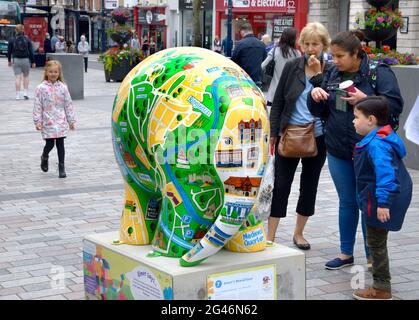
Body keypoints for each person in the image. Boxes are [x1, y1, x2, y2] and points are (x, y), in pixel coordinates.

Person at [308, 30, 403, 270]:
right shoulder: (331, 72)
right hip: (338, 148)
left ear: (356, 54)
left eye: (340, 56)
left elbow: (394, 105)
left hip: (370, 151)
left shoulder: (378, 72)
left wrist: (366, 97)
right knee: (347, 202)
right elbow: (321, 111)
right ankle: (345, 253)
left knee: (369, 203)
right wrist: (315, 95)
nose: (335, 61)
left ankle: (373, 257)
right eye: (333, 56)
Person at [268, 22, 331, 250]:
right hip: (291, 133)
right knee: (281, 184)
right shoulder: (293, 65)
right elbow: (278, 102)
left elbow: (329, 103)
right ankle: (270, 236)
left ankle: (299, 233)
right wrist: (273, 132)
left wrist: (318, 75)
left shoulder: (330, 69)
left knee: (310, 185)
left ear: (325, 45)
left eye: (315, 44)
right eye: (306, 43)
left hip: (318, 135)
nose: (310, 48)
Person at [352, 96, 412, 300]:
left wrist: (383, 204)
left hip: (379, 199)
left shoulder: (377, 145)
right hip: (378, 196)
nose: (353, 121)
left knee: (375, 242)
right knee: (377, 240)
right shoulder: (384, 136)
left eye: (356, 117)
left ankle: (381, 288)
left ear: (370, 120)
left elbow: (385, 175)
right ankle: (381, 284)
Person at [33, 60, 76, 178]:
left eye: (55, 72)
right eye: (51, 71)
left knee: (60, 144)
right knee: (50, 144)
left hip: (61, 120)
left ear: (59, 73)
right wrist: (38, 122)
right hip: (48, 121)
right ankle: (44, 156)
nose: (53, 74)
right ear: (46, 72)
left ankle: (61, 167)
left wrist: (71, 120)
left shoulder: (63, 87)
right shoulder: (41, 88)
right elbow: (37, 105)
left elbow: (68, 104)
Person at [261, 27, 301, 110]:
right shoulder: (297, 54)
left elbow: (263, 65)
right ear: (292, 39)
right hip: (290, 91)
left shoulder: (275, 50)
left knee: (273, 116)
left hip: (274, 92)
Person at [231, 23, 267, 88]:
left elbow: (233, 61)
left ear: (242, 31)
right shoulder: (261, 44)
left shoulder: (240, 44)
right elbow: (265, 59)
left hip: (244, 79)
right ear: (251, 31)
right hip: (257, 79)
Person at [7, 24, 36, 100]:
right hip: (26, 60)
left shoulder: (12, 39)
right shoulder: (27, 39)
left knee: (17, 77)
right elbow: (31, 51)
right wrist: (33, 62)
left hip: (16, 60)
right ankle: (25, 93)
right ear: (23, 30)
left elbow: (9, 52)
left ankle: (17, 95)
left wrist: (9, 61)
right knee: (26, 76)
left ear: (15, 30)